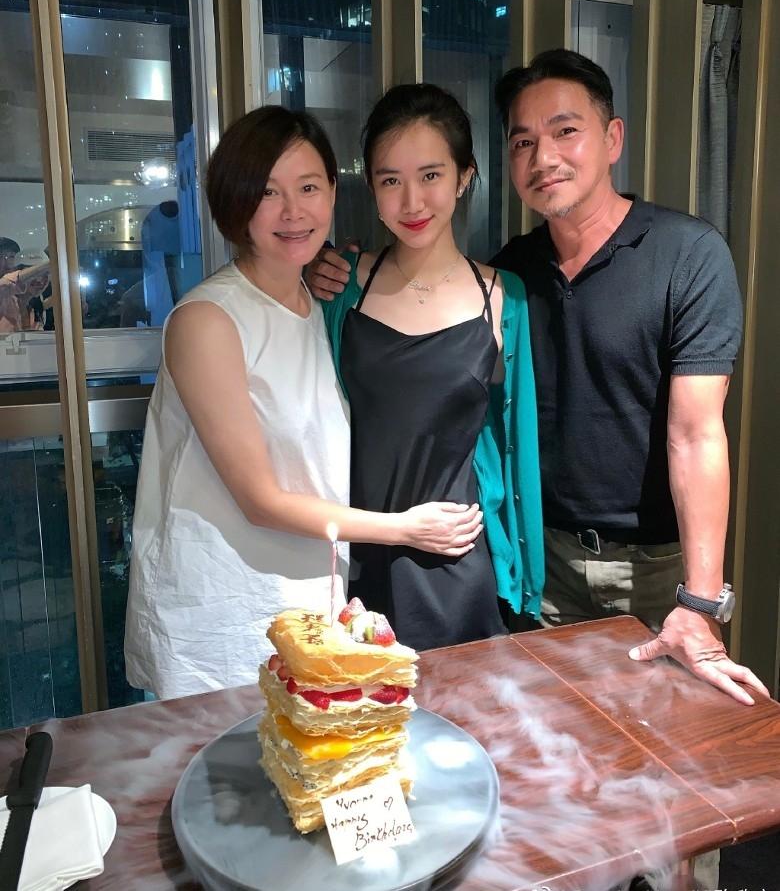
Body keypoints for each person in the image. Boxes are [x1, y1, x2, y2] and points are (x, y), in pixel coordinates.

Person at [309, 52, 768, 707]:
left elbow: (696, 435)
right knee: (544, 742)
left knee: (658, 746)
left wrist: (700, 601)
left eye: (565, 131)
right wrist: (326, 269)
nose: (543, 156)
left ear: (613, 138)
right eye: (523, 141)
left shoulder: (686, 254)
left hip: (651, 567)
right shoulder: (513, 273)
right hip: (541, 564)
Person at [124, 106, 482, 701]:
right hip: (218, 614)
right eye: (267, 192)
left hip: (305, 604)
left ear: (334, 193)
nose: (293, 212)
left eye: (309, 188)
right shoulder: (208, 319)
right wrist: (403, 528)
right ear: (234, 202)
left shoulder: (317, 308)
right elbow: (260, 500)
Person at [315, 83, 544, 652]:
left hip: (455, 557)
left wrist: (525, 579)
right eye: (391, 180)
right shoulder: (342, 286)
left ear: (465, 176)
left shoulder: (504, 297)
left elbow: (517, 447)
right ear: (371, 187)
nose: (412, 202)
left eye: (431, 175)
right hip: (356, 556)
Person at [0, 237, 49, 333]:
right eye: (33, 275)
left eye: (11, 257)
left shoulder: (35, 306)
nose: (39, 281)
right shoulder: (4, 295)